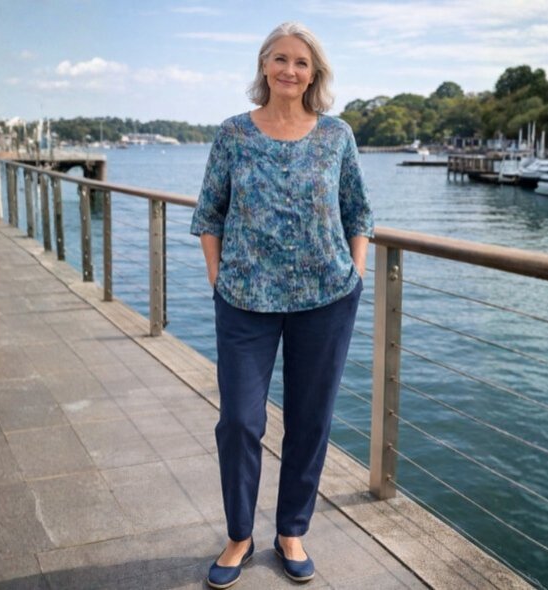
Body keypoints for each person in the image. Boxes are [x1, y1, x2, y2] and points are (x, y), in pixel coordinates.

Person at [190, 21, 373, 589]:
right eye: (279, 59)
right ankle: (240, 535)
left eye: (300, 62)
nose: (289, 70)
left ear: (313, 73)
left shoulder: (337, 136)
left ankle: (291, 530)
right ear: (263, 67)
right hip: (244, 300)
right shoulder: (233, 135)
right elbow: (209, 214)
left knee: (310, 421)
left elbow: (358, 213)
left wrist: (356, 274)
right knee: (240, 421)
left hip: (325, 301)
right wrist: (218, 278)